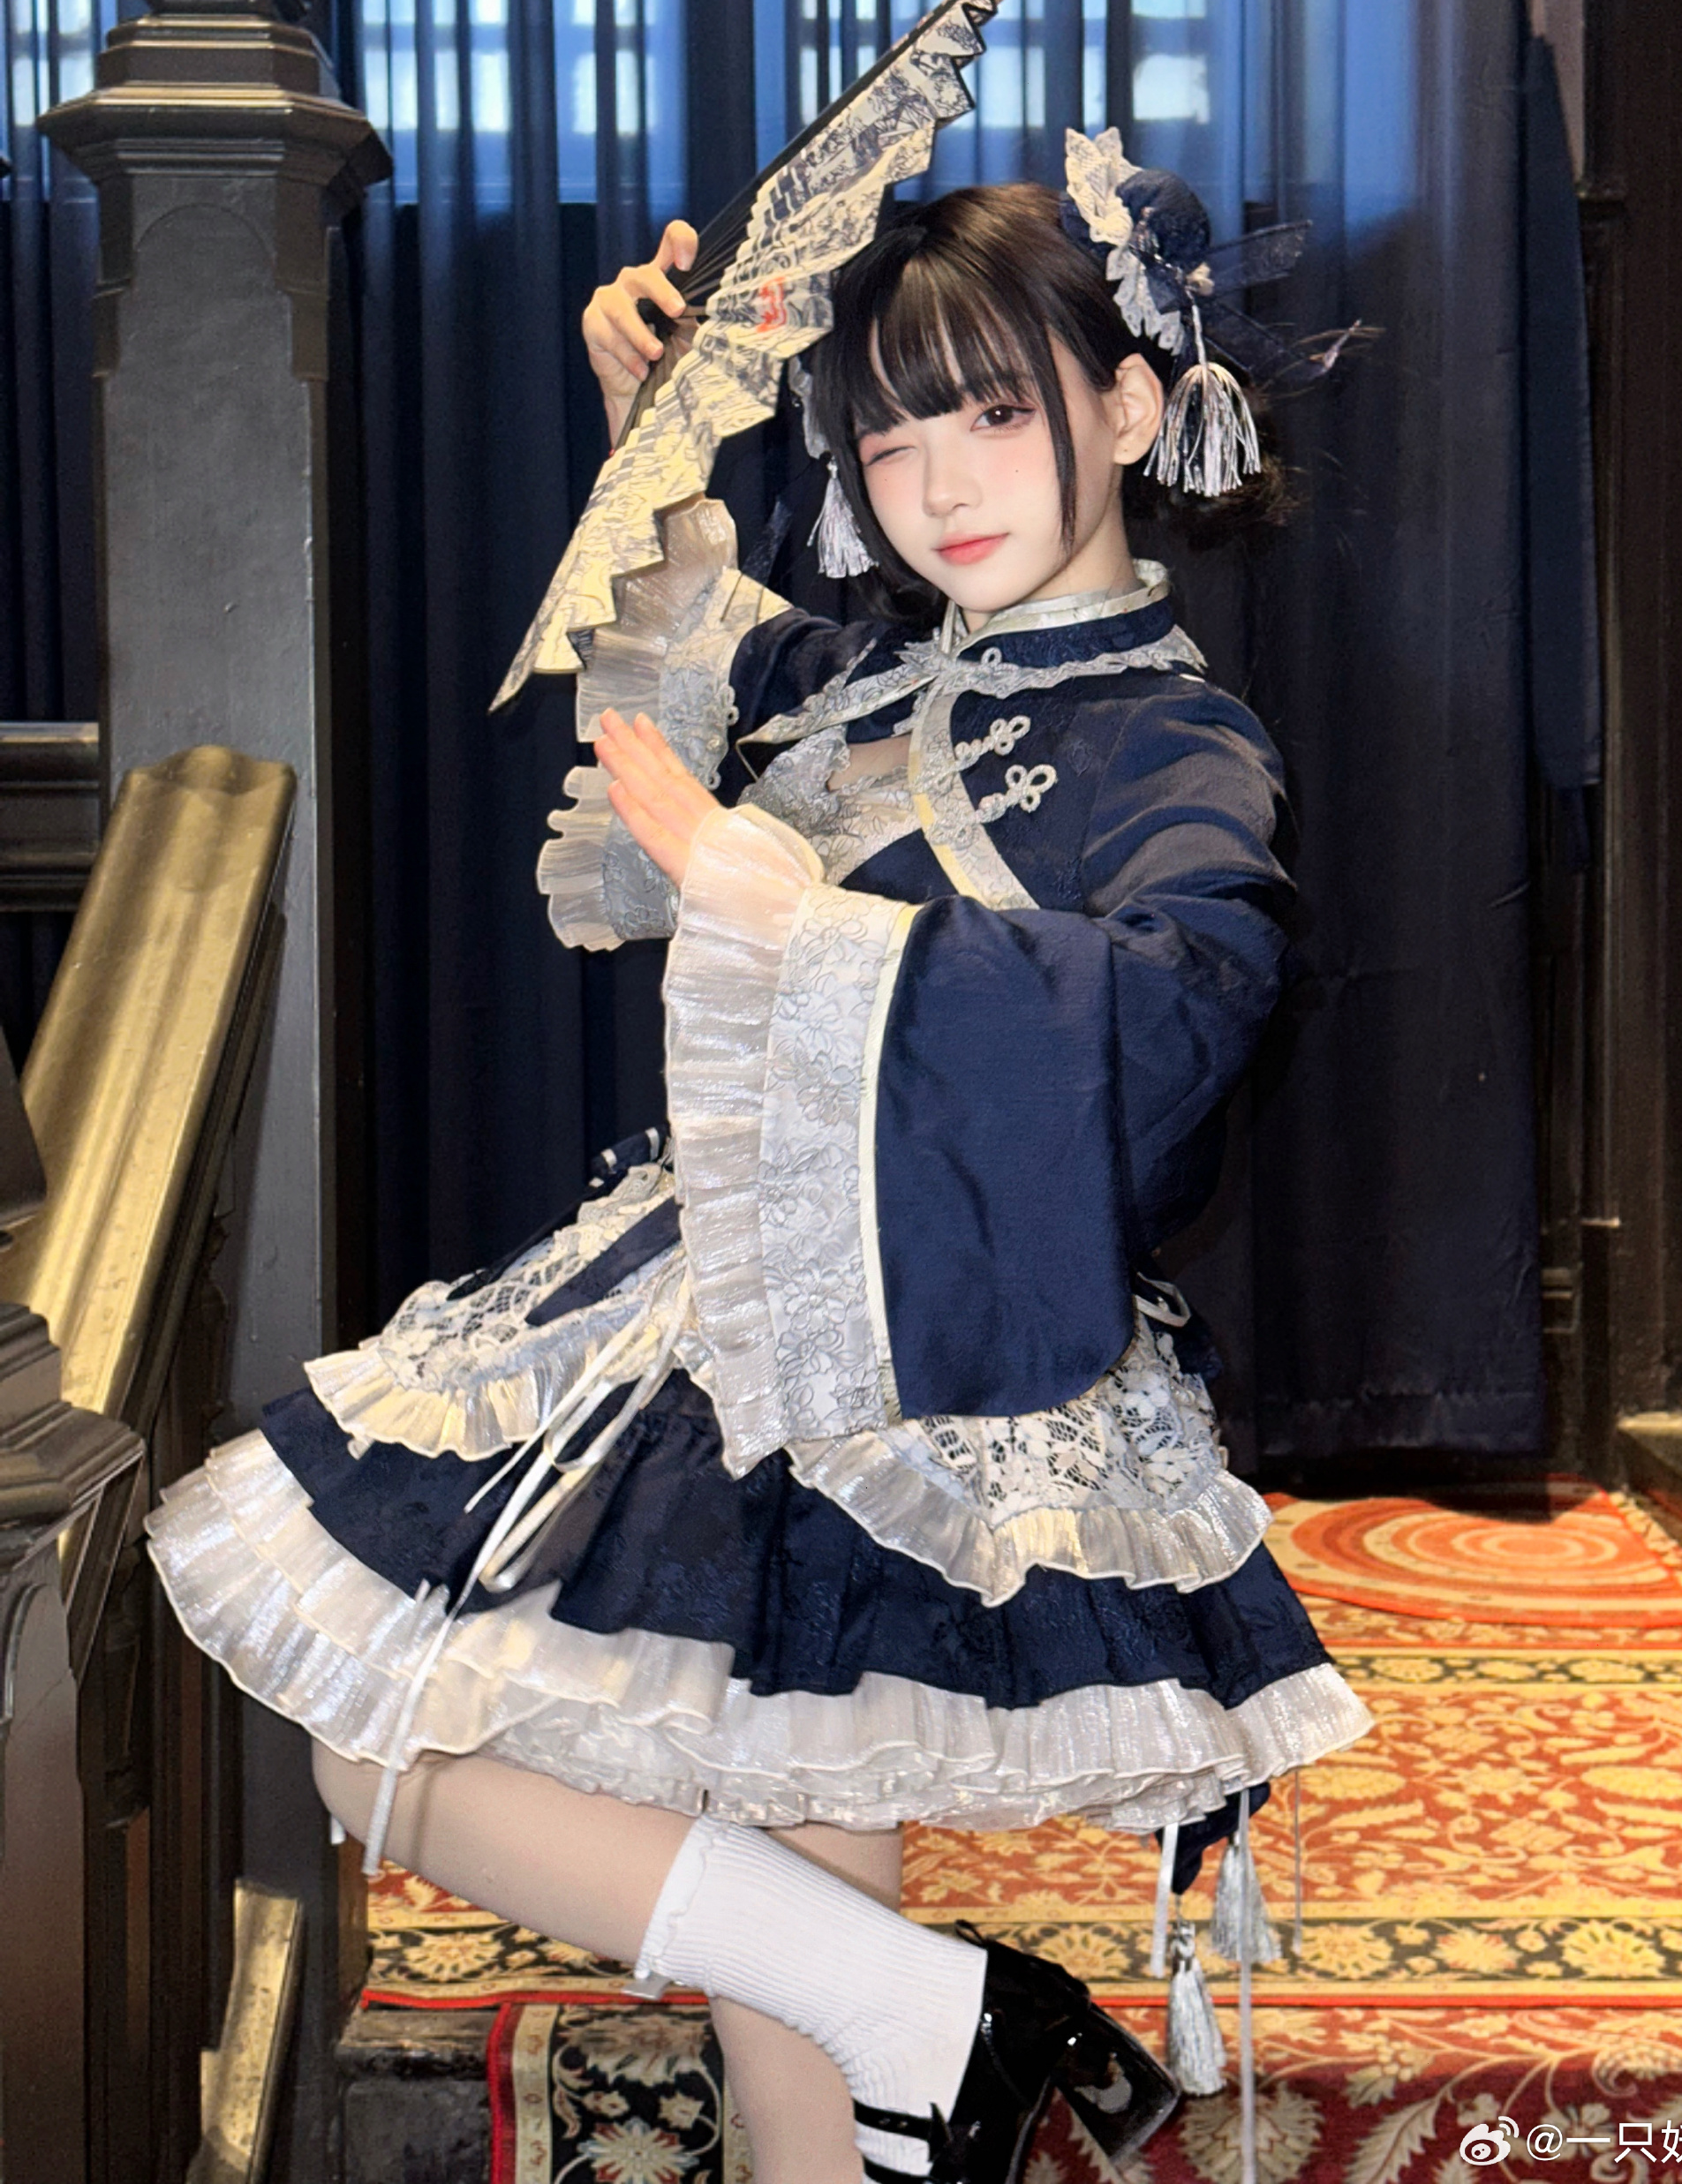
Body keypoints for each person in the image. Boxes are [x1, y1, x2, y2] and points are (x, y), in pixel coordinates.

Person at [147, 147, 1371, 2184]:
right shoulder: (883, 674)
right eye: (888, 433)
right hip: (726, 1321)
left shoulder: (1175, 741)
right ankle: (934, 2018)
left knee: (658, 1838)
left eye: (994, 412)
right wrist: (654, 420)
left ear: (1128, 404)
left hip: (925, 1358)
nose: (937, 482)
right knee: (433, 1761)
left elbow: (1181, 1009)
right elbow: (704, 635)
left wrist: (795, 916)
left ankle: (927, 2018)